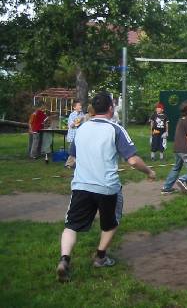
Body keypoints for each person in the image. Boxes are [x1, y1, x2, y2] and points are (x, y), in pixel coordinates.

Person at [56, 91, 156, 282]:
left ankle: (64, 259)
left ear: (93, 109)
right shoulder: (115, 129)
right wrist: (149, 172)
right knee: (110, 223)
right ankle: (101, 257)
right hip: (107, 187)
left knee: (71, 225)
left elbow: (73, 158)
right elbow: (133, 161)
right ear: (111, 108)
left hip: (81, 186)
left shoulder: (82, 128)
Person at [160, 100, 187, 195]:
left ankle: (166, 188)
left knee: (176, 168)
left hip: (177, 149)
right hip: (185, 150)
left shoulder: (182, 119)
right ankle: (183, 180)